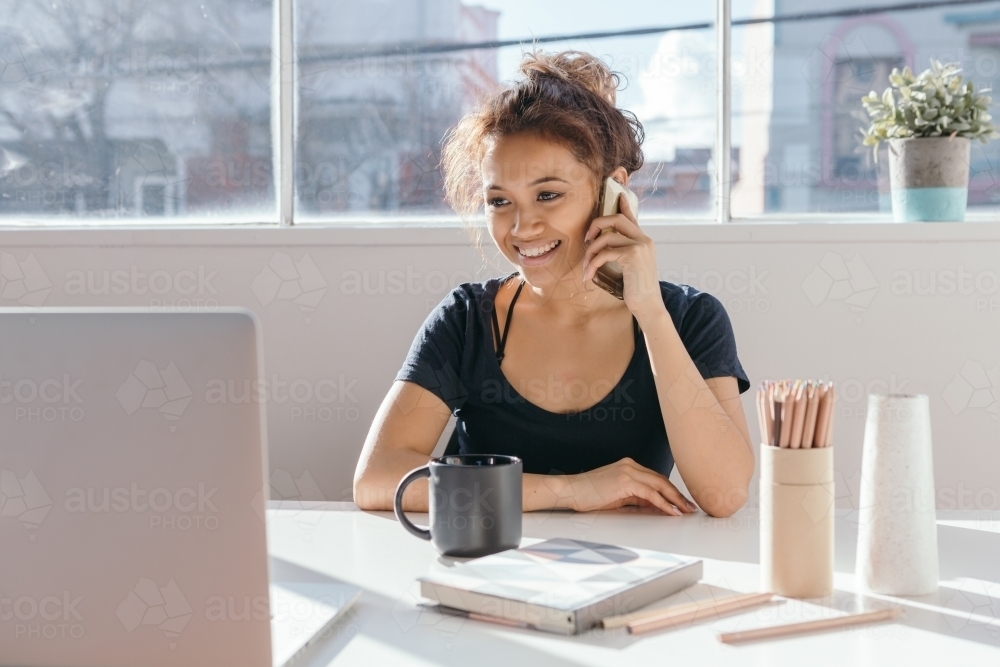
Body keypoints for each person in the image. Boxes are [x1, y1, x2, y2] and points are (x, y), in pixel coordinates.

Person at [354, 50, 753, 518]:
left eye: (548, 195)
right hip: (494, 569)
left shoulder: (689, 318)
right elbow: (379, 480)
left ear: (614, 191)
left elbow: (724, 494)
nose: (522, 228)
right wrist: (572, 491)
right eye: (500, 201)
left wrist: (649, 311)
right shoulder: (468, 320)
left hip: (631, 577)